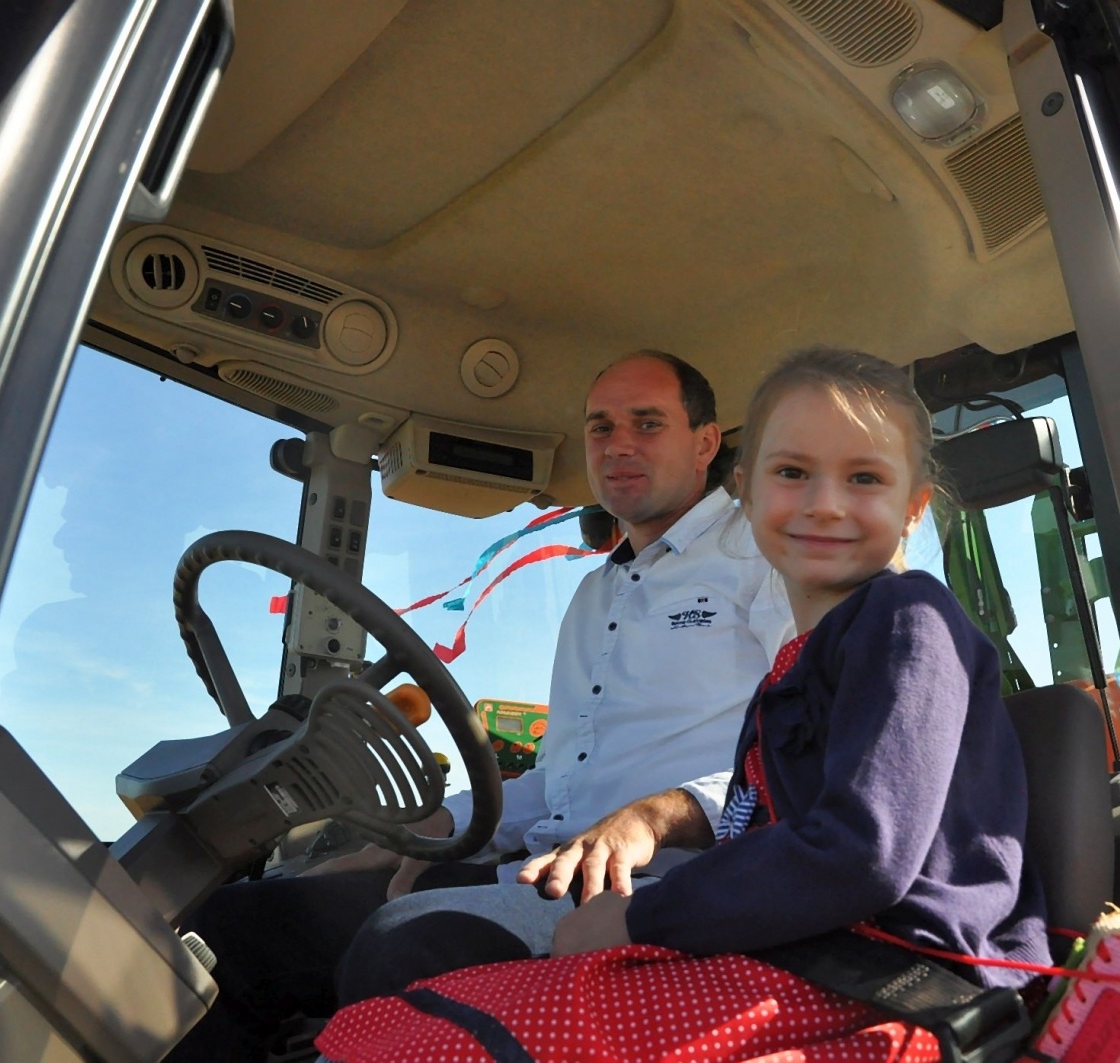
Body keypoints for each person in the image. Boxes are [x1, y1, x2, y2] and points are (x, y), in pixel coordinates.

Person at [313, 346, 1051, 1062]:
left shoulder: (905, 618)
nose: (825, 504)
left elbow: (862, 852)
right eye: (793, 472)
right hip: (799, 952)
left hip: (896, 979)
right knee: (396, 1017)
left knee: (418, 1007)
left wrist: (640, 913)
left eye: (863, 477)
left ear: (913, 507)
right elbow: (748, 825)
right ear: (750, 494)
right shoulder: (788, 671)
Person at [169, 351, 791, 1062]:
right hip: (542, 870)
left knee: (402, 942)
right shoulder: (596, 597)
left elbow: (797, 757)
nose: (618, 444)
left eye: (648, 423)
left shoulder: (764, 560)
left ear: (706, 442)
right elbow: (559, 782)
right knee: (232, 925)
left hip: (656, 886)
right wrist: (425, 828)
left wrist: (657, 815)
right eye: (600, 427)